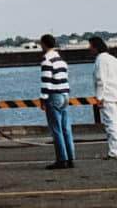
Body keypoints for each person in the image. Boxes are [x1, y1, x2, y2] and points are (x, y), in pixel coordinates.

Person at [40, 34, 75, 169]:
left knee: (56, 129)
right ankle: (70, 158)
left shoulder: (47, 60)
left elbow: (46, 82)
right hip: (65, 95)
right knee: (66, 128)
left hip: (53, 96)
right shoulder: (61, 60)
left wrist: (43, 99)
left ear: (43, 44)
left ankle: (61, 159)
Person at [88, 36, 117, 159]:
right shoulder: (112, 59)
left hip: (107, 96)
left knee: (111, 124)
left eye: (90, 46)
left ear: (96, 47)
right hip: (115, 94)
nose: (89, 48)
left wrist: (99, 98)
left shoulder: (100, 60)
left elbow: (100, 80)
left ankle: (114, 151)